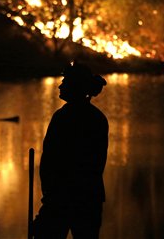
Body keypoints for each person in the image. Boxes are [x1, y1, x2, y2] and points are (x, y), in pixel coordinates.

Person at [33, 61, 109, 239]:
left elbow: (51, 159)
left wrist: (50, 197)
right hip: (88, 199)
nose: (60, 85)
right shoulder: (97, 118)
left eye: (65, 82)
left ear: (76, 87)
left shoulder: (63, 117)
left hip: (62, 199)